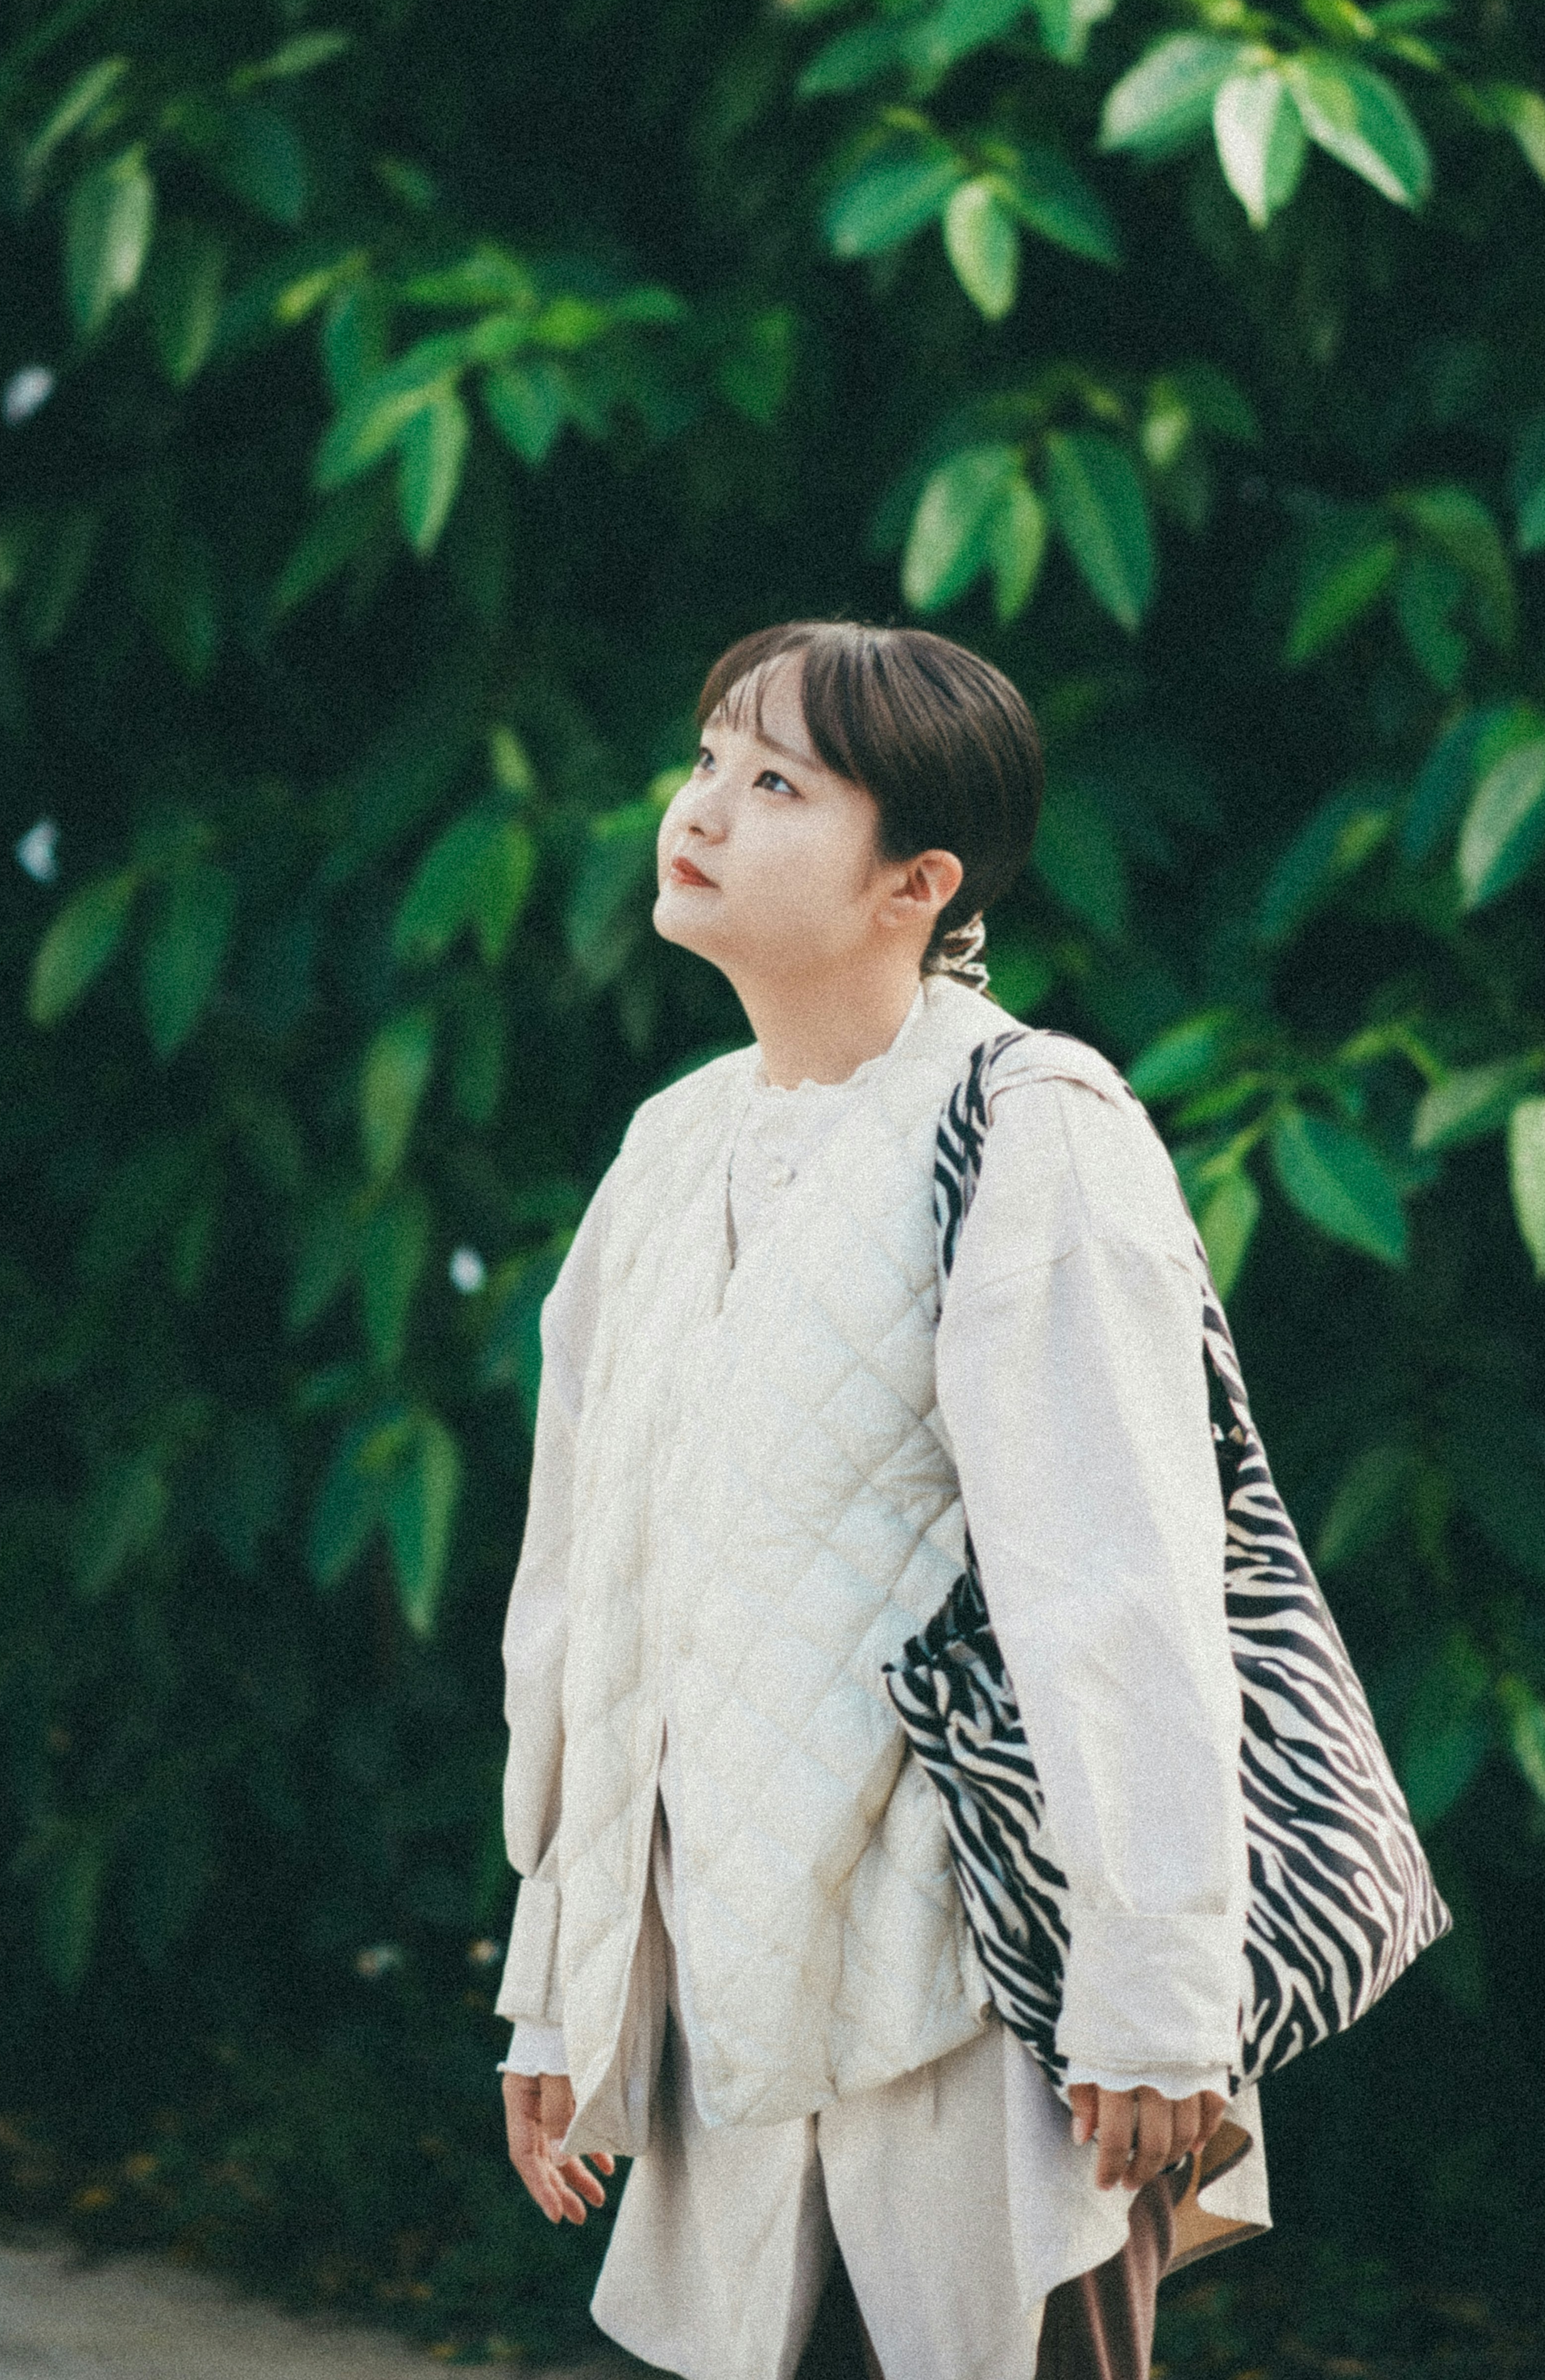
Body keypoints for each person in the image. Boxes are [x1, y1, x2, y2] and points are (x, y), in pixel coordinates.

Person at [494, 619, 1269, 2380]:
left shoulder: (1031, 1127)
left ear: (916, 881)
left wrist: (1157, 2005)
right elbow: (580, 1607)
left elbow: (1125, 1585)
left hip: (983, 2019)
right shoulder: (671, 1149)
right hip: (730, 2031)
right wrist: (563, 1983)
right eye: (707, 762)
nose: (702, 810)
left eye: (777, 786)